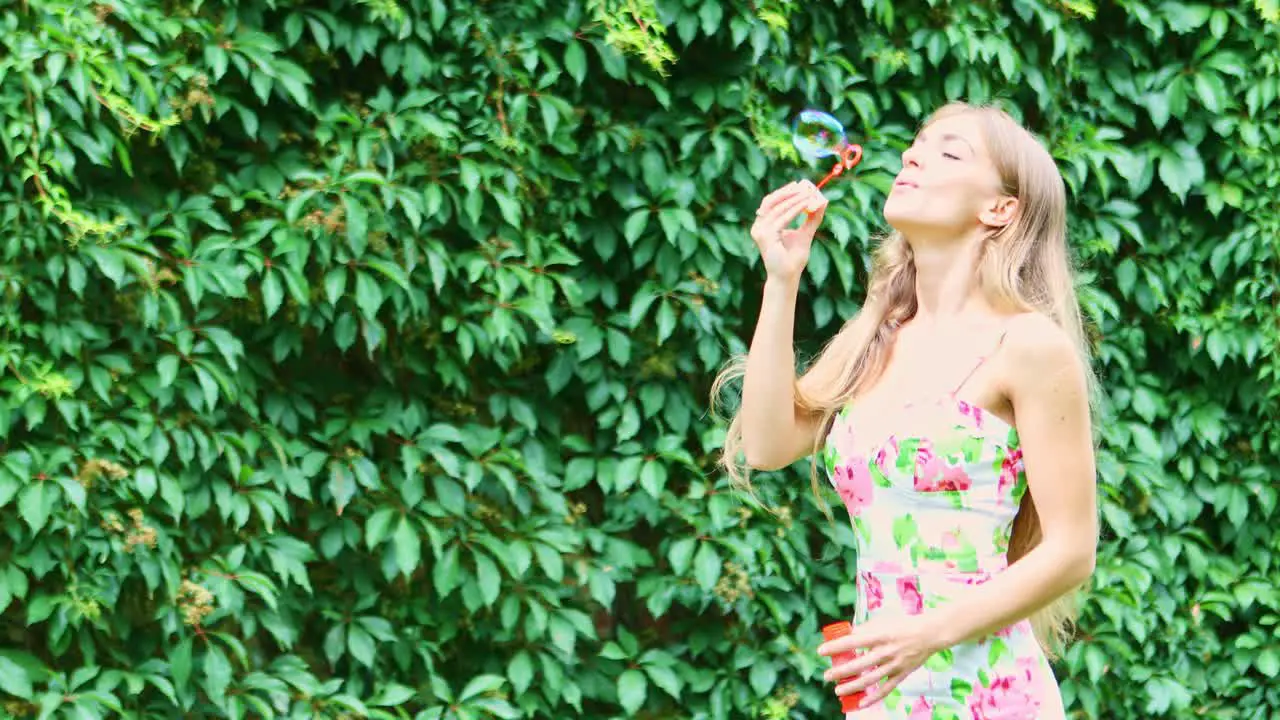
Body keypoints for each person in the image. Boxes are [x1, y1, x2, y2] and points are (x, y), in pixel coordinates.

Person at [711, 101, 1099, 718]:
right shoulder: (878, 335)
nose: (912, 156)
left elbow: (1073, 549)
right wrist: (781, 280)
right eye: (917, 145)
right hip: (884, 700)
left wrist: (929, 633)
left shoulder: (1027, 346)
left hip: (991, 696)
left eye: (948, 152)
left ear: (999, 209)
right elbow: (765, 444)